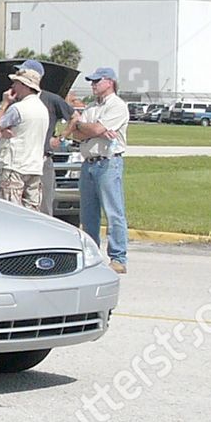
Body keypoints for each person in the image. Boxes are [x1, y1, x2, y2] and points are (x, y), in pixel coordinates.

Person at [62, 66, 129, 273]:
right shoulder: (91, 107)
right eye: (92, 81)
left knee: (113, 211)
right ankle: (92, 256)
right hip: (88, 162)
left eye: (97, 81)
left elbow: (95, 129)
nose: (93, 85)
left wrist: (91, 129)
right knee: (88, 213)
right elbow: (77, 132)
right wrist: (90, 130)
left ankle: (118, 257)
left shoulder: (117, 106)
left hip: (108, 163)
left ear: (110, 82)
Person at [0, 65, 48, 212]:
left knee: (11, 211)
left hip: (15, 166)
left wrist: (4, 103)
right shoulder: (43, 109)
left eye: (16, 83)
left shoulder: (18, 108)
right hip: (35, 167)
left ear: (24, 85)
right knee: (32, 212)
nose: (13, 86)